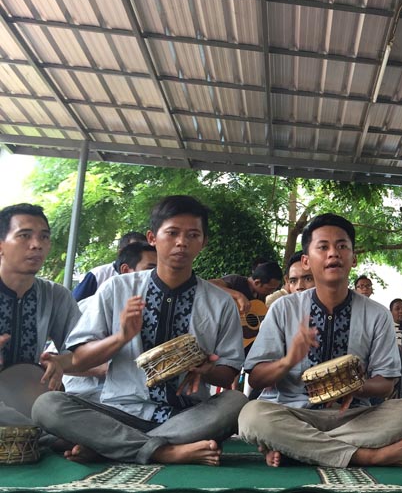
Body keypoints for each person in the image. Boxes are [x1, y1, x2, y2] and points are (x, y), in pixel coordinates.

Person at [33, 195, 248, 466]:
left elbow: (228, 372)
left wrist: (206, 369)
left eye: (193, 235)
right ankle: (163, 452)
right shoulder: (117, 289)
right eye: (172, 233)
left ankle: (110, 446)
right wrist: (120, 337)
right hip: (118, 412)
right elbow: (80, 357)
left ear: (203, 242)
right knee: (48, 406)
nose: (182, 242)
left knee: (235, 401)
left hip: (185, 417)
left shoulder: (219, 302)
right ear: (153, 237)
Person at [238, 214, 402, 468]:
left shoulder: (377, 314)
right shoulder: (284, 308)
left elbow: (386, 385)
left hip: (352, 417)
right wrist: (289, 360)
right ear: (306, 260)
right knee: (252, 416)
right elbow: (256, 378)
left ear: (353, 257)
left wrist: (354, 387)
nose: (333, 253)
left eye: (342, 246)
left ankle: (296, 447)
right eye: (323, 247)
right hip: (293, 413)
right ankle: (364, 456)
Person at [0, 203, 79, 427]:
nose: (36, 245)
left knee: (64, 407)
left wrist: (62, 361)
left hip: (31, 398)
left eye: (44, 237)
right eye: (24, 236)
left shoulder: (55, 295)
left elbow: (83, 349)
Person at [63, 242, 157, 400]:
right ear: (126, 271)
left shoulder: (163, 309)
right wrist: (102, 368)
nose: (156, 276)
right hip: (87, 397)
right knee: (50, 405)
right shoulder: (90, 305)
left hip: (139, 402)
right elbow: (57, 359)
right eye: (150, 269)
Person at [72, 231, 147, 301]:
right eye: (134, 251)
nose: (141, 255)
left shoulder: (149, 276)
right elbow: (75, 304)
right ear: (120, 252)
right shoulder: (98, 275)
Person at [210, 261, 283, 315]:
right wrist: (238, 295)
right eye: (269, 289)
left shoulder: (260, 296)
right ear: (257, 282)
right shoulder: (236, 281)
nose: (272, 292)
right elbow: (208, 285)